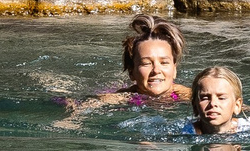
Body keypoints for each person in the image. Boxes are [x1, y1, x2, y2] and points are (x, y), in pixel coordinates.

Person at [58, 15, 192, 125]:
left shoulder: (188, 96)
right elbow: (82, 105)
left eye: (164, 63)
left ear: (174, 69)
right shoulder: (125, 97)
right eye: (146, 63)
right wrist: (72, 115)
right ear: (131, 72)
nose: (156, 70)